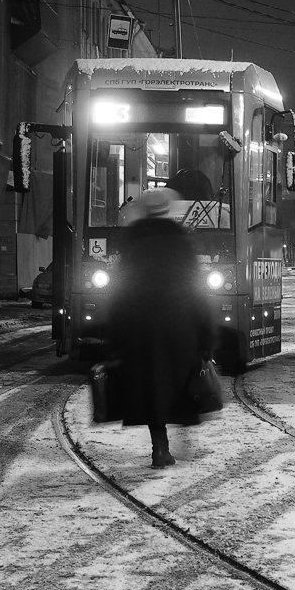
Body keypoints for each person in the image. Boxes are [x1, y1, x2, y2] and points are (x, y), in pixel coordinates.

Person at [111, 188, 214, 468]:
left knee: (151, 389)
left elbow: (120, 292)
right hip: (179, 327)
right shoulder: (181, 243)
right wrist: (206, 333)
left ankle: (160, 448)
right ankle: (182, 437)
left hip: (140, 331)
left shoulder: (132, 243)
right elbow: (197, 289)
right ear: (168, 210)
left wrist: (115, 335)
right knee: (179, 384)